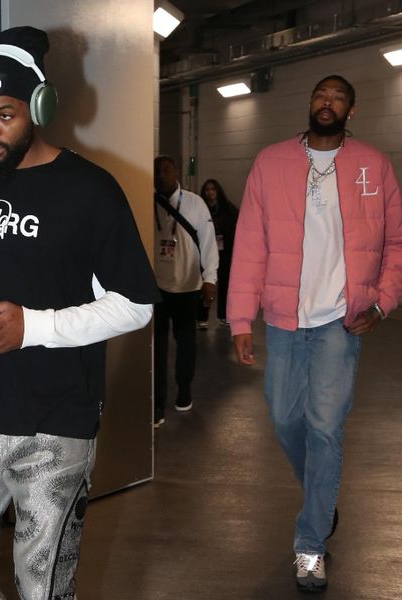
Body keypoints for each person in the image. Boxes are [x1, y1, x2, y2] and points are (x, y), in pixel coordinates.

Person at [0, 26, 160, 600]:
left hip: (58, 418)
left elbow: (135, 304)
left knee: (43, 586)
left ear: (39, 106)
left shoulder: (90, 191)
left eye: (5, 114)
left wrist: (34, 327)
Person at [228, 75, 402, 593]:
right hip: (283, 319)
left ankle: (310, 544)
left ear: (351, 110)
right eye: (320, 95)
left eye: (338, 97)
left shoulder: (374, 166)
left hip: (338, 322)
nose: (327, 102)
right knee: (284, 419)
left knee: (326, 429)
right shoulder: (270, 161)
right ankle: (322, 500)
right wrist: (241, 318)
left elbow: (397, 241)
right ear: (310, 104)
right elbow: (250, 244)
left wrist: (383, 300)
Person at [153, 156, 218, 426]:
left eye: (165, 170)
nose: (160, 175)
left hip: (188, 286)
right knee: (156, 347)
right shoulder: (147, 202)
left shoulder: (194, 203)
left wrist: (210, 279)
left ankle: (184, 389)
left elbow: (208, 242)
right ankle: (156, 405)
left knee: (186, 343)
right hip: (156, 286)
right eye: (157, 171)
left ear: (177, 172)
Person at [196, 179, 239, 329]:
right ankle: (202, 317)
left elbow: (237, 227)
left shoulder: (228, 209)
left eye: (213, 189)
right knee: (206, 283)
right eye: (207, 189)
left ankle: (224, 315)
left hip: (225, 252)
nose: (210, 192)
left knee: (225, 285)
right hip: (205, 251)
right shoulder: (200, 208)